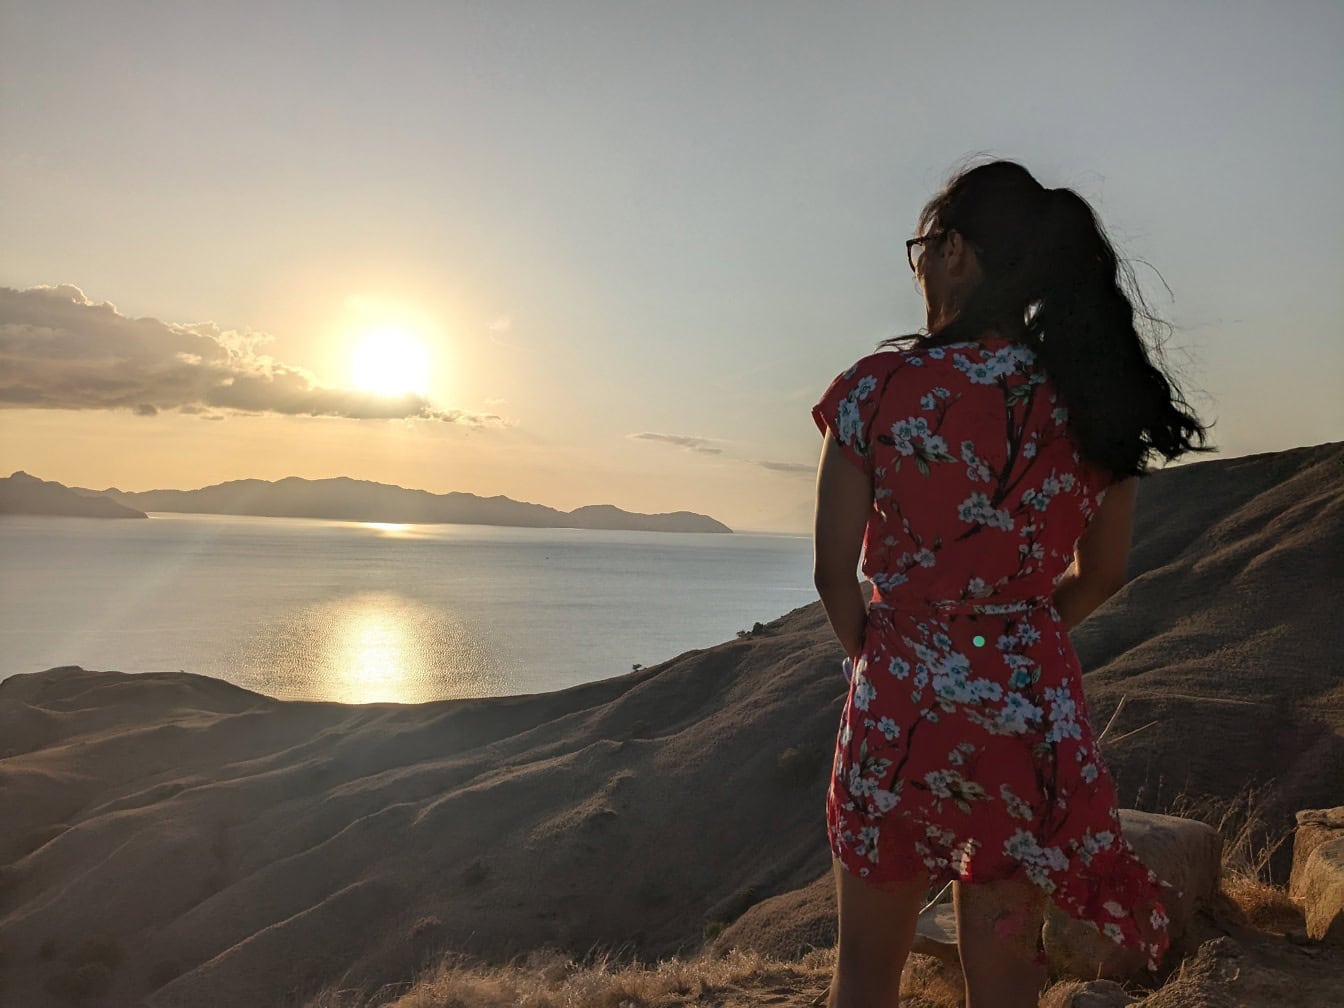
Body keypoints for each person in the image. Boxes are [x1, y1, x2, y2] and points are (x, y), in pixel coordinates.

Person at [811, 159, 1216, 1008]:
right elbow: (1103, 574)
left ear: (956, 251)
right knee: (1004, 986)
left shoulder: (878, 391)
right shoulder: (1092, 404)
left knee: (864, 980)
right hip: (1025, 717)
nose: (921, 264)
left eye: (924, 247)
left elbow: (833, 573)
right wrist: (1014, 638)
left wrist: (889, 657)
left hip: (897, 711)